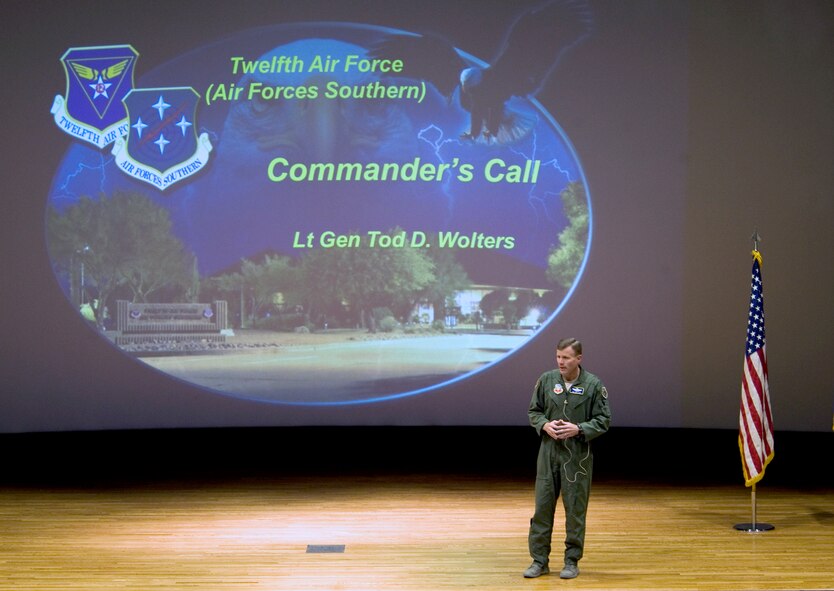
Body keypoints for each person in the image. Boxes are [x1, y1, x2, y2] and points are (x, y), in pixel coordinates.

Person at [524, 338, 611, 580]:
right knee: (542, 509)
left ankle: (571, 561)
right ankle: (539, 561)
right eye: (558, 357)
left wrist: (579, 429)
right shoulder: (547, 380)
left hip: (577, 458)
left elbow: (604, 420)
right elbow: (534, 411)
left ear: (578, 359)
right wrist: (544, 424)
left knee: (575, 511)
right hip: (548, 454)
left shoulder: (593, 385)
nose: (561, 362)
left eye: (566, 358)